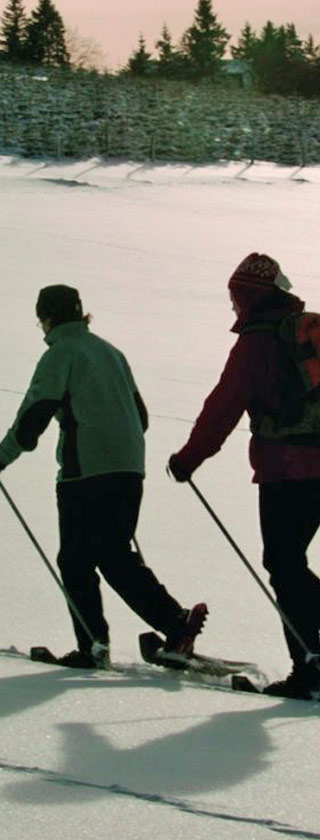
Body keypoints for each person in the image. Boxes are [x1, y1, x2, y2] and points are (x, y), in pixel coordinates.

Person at [0, 284, 206, 668]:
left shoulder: (60, 354)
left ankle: (95, 646)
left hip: (85, 473)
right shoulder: (110, 352)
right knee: (114, 554)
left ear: (46, 317)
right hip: (130, 468)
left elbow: (34, 415)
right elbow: (143, 417)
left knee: (76, 560)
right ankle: (173, 623)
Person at [169, 253, 320, 699]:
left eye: (235, 297)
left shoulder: (257, 342)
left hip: (285, 470)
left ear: (246, 297)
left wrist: (188, 459)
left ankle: (310, 667)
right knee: (290, 563)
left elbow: (224, 406)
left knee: (284, 564)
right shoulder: (308, 333)